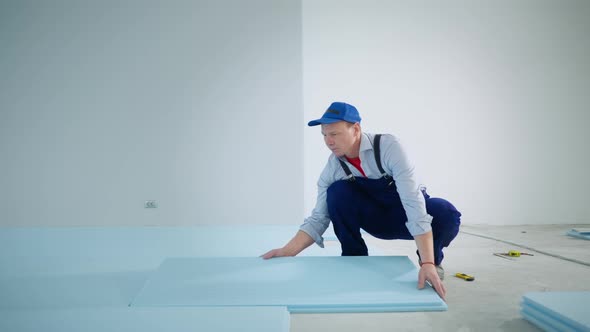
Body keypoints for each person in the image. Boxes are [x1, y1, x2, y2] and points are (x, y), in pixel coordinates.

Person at [262, 101, 461, 299]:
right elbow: (319, 218)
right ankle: (354, 259)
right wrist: (287, 251)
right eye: (324, 135)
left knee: (446, 212)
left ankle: (431, 263)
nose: (328, 141)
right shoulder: (333, 168)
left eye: (334, 134)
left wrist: (427, 262)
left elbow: (413, 202)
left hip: (404, 217)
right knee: (337, 191)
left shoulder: (389, 147)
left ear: (355, 129)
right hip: (376, 220)